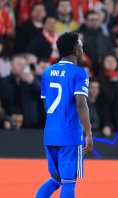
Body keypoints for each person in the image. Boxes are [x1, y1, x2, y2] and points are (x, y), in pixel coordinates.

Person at [36, 32, 93, 198]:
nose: (82, 50)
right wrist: (88, 132)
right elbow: (81, 103)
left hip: (51, 133)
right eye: (81, 47)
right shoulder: (79, 73)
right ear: (76, 50)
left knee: (55, 178)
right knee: (69, 181)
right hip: (69, 134)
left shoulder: (47, 72)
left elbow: (46, 104)